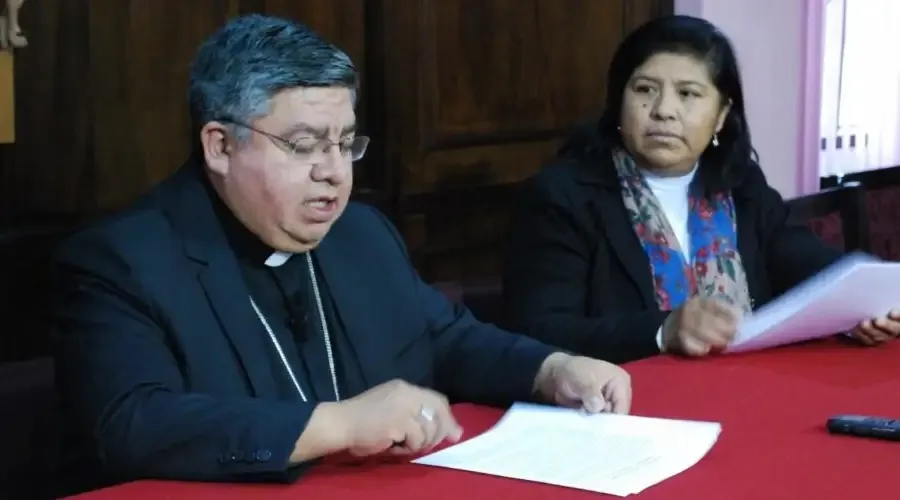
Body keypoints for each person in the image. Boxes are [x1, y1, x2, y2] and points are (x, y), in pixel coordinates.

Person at [50, 15, 632, 488]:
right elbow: (133, 423)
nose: (333, 172)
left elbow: (443, 337)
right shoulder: (122, 261)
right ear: (220, 146)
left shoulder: (360, 233)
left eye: (345, 143)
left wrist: (551, 370)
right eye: (304, 145)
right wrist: (339, 424)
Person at [501, 15, 900, 365]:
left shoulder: (738, 183)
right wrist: (663, 330)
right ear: (619, 101)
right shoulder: (563, 195)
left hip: (741, 387)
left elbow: (810, 266)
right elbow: (539, 330)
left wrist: (863, 309)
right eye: (644, 89)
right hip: (621, 403)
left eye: (688, 94)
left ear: (721, 114)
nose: (664, 110)